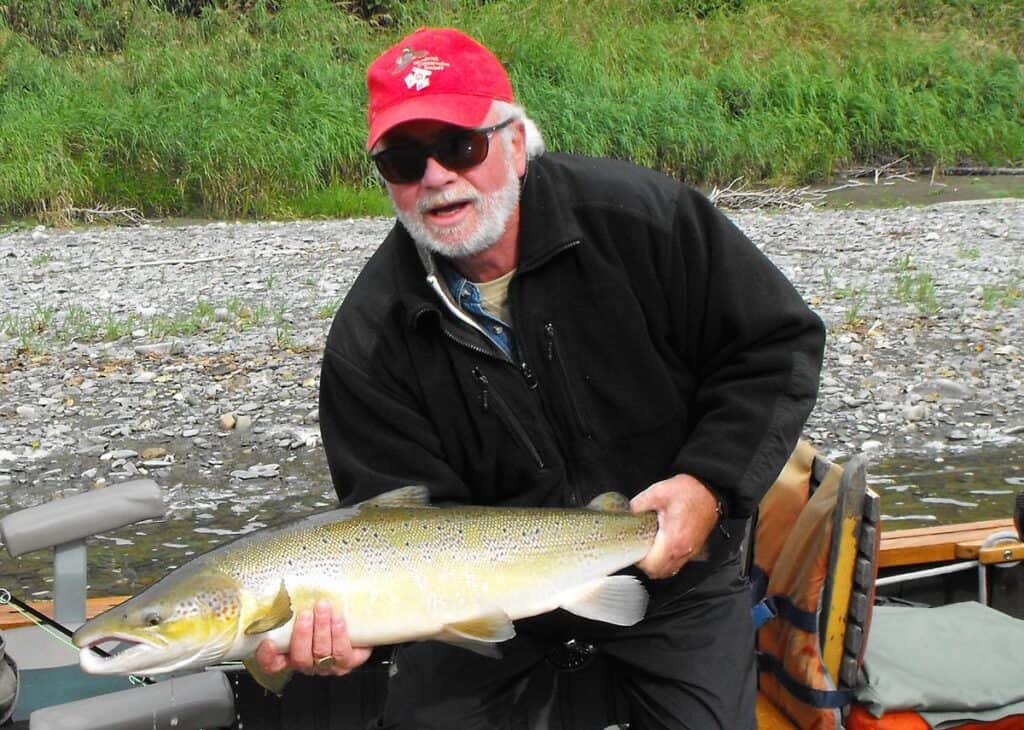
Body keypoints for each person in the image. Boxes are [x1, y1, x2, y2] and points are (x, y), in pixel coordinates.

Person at [256, 27, 826, 729]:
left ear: (519, 143)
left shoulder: (641, 221)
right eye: (405, 160)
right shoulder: (369, 340)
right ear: (389, 183)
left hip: (675, 571)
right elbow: (392, 519)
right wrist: (358, 642)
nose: (436, 176)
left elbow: (776, 344)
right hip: (484, 620)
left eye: (461, 145)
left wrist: (710, 483)